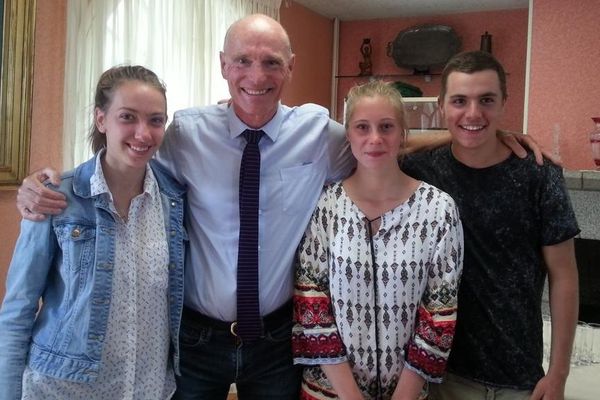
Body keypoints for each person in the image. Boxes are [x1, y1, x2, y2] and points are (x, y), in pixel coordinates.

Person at [12, 14, 548, 400]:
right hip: (196, 337)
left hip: (276, 339)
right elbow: (126, 150)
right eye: (242, 60)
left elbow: (380, 141)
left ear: (290, 68)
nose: (256, 74)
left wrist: (476, 134)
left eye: (271, 62)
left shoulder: (318, 132)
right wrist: (47, 182)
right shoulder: (184, 133)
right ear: (223, 65)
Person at [0, 65, 187, 399]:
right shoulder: (55, 197)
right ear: (102, 120)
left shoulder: (174, 201)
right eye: (127, 117)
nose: (143, 133)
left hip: (149, 390)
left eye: (155, 120)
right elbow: (18, 308)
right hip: (62, 389)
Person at [401, 51, 579, 400]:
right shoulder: (421, 170)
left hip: (520, 377)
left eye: (486, 100)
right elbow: (373, 142)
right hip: (442, 374)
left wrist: (559, 373)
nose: (473, 113)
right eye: (459, 101)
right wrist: (449, 137)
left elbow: (565, 277)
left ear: (503, 103)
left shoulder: (539, 175)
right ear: (441, 106)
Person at [292, 80, 463, 400]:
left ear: (402, 133)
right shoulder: (325, 206)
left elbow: (440, 312)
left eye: (386, 126)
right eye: (362, 127)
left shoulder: (438, 210)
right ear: (348, 135)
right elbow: (311, 303)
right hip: (328, 392)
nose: (375, 139)